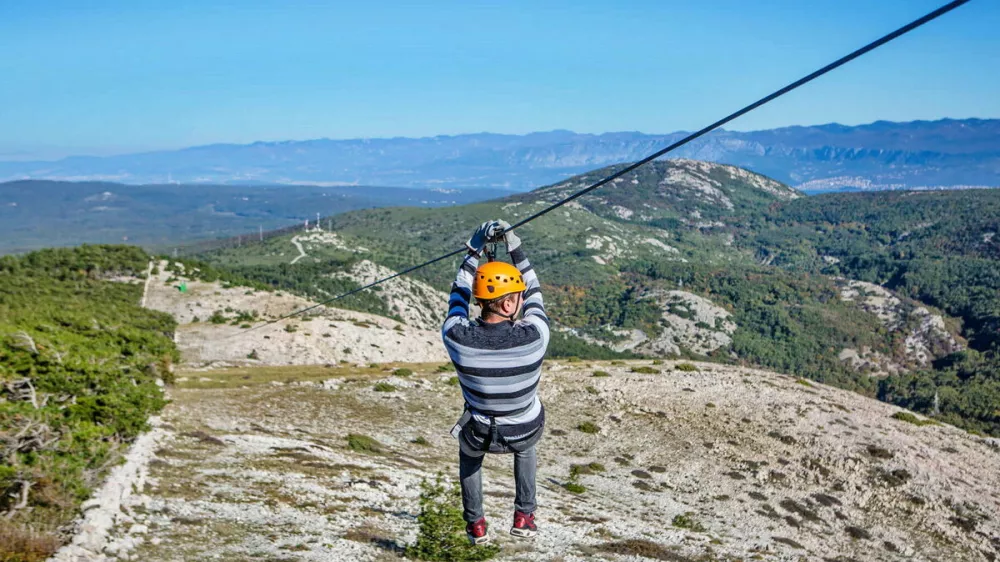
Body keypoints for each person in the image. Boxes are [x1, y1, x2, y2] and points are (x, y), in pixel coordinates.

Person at [442, 219, 550, 545]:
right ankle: (524, 515)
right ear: (508, 304)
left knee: (469, 454)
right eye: (517, 297)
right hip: (522, 430)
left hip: (478, 430)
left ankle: (476, 524)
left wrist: (473, 250)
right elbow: (535, 290)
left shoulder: (456, 336)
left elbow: (457, 295)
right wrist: (515, 248)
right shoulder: (536, 336)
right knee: (527, 442)